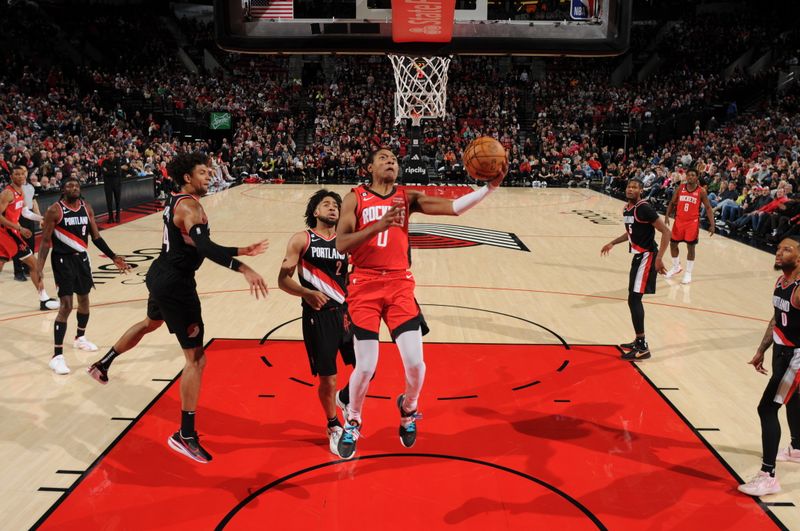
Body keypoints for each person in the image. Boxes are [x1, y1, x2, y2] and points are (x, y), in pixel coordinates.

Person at [87, 152, 269, 464]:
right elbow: (207, 249)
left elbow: (196, 244)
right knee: (196, 359)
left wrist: (241, 249)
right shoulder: (190, 206)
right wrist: (243, 267)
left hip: (161, 272)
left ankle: (103, 363)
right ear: (187, 177)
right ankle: (185, 434)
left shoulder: (177, 200)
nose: (209, 175)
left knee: (150, 323)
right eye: (202, 171)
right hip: (176, 283)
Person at [334, 147, 507, 459]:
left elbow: (454, 207)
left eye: (394, 159)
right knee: (366, 366)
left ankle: (408, 408)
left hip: (399, 284)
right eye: (383, 157)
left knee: (416, 364)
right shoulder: (354, 197)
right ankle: (354, 419)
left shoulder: (407, 197)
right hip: (363, 284)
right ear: (370, 166)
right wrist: (377, 226)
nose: (390, 161)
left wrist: (489, 188)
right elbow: (341, 243)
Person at [278, 189, 355, 457]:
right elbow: (283, 280)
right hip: (318, 315)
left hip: (346, 313)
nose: (333, 208)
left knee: (368, 367)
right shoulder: (302, 239)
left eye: (336, 205)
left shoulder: (346, 241)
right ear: (316, 211)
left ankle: (345, 399)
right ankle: (333, 425)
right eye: (327, 204)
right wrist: (307, 293)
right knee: (329, 378)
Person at [36, 177, 130, 375]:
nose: (74, 188)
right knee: (66, 306)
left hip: (82, 259)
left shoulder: (86, 207)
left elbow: (96, 237)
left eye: (77, 185)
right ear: (63, 189)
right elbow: (45, 241)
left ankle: (80, 338)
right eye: (70, 185)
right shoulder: (55, 209)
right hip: (62, 260)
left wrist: (113, 257)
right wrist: (39, 267)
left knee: (85, 300)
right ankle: (57, 357)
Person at [738, 236, 800, 497]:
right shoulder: (781, 281)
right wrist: (762, 349)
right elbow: (777, 317)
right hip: (780, 350)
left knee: (767, 408)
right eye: (778, 248)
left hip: (795, 357)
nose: (778, 252)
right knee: (793, 399)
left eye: (786, 249)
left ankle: (768, 476)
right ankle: (797, 449)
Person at [601, 178, 671, 360]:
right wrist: (613, 242)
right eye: (629, 186)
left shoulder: (643, 208)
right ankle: (638, 340)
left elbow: (666, 231)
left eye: (634, 187)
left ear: (641, 190)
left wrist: (660, 258)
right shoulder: (627, 208)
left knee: (634, 299)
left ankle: (643, 347)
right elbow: (631, 231)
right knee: (632, 299)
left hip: (648, 256)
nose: (630, 189)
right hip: (638, 256)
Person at [0, 165, 59, 310]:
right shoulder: (7, 193)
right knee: (34, 265)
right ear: (12, 176)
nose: (20, 176)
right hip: (5, 233)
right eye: (17, 174)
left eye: (22, 174)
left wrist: (41, 217)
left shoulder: (22, 191)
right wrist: (19, 228)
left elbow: (25, 212)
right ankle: (44, 299)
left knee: (31, 266)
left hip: (12, 232)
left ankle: (44, 299)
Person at [664, 169, 715, 284]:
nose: (690, 177)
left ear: (697, 177)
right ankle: (676, 266)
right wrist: (667, 216)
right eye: (689, 175)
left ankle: (688, 273)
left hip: (692, 223)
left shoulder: (701, 191)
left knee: (690, 247)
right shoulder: (680, 188)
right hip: (679, 220)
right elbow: (672, 202)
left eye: (693, 175)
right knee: (673, 244)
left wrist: (712, 224)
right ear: (686, 176)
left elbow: (707, 207)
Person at [12, 168, 40, 281]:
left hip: (28, 215)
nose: (22, 174)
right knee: (18, 244)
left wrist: (39, 218)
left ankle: (27, 268)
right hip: (16, 216)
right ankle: (18, 272)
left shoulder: (30, 187)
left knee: (30, 243)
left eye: (24, 171)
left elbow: (33, 202)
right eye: (19, 172)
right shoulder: (13, 188)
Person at [100, 147, 127, 223]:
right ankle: (110, 217)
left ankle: (118, 216)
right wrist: (113, 170)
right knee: (109, 202)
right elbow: (104, 173)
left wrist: (109, 170)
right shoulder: (104, 162)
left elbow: (118, 173)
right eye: (109, 154)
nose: (111, 155)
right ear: (107, 155)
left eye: (112, 154)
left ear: (114, 154)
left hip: (117, 184)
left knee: (118, 201)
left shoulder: (117, 161)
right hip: (108, 185)